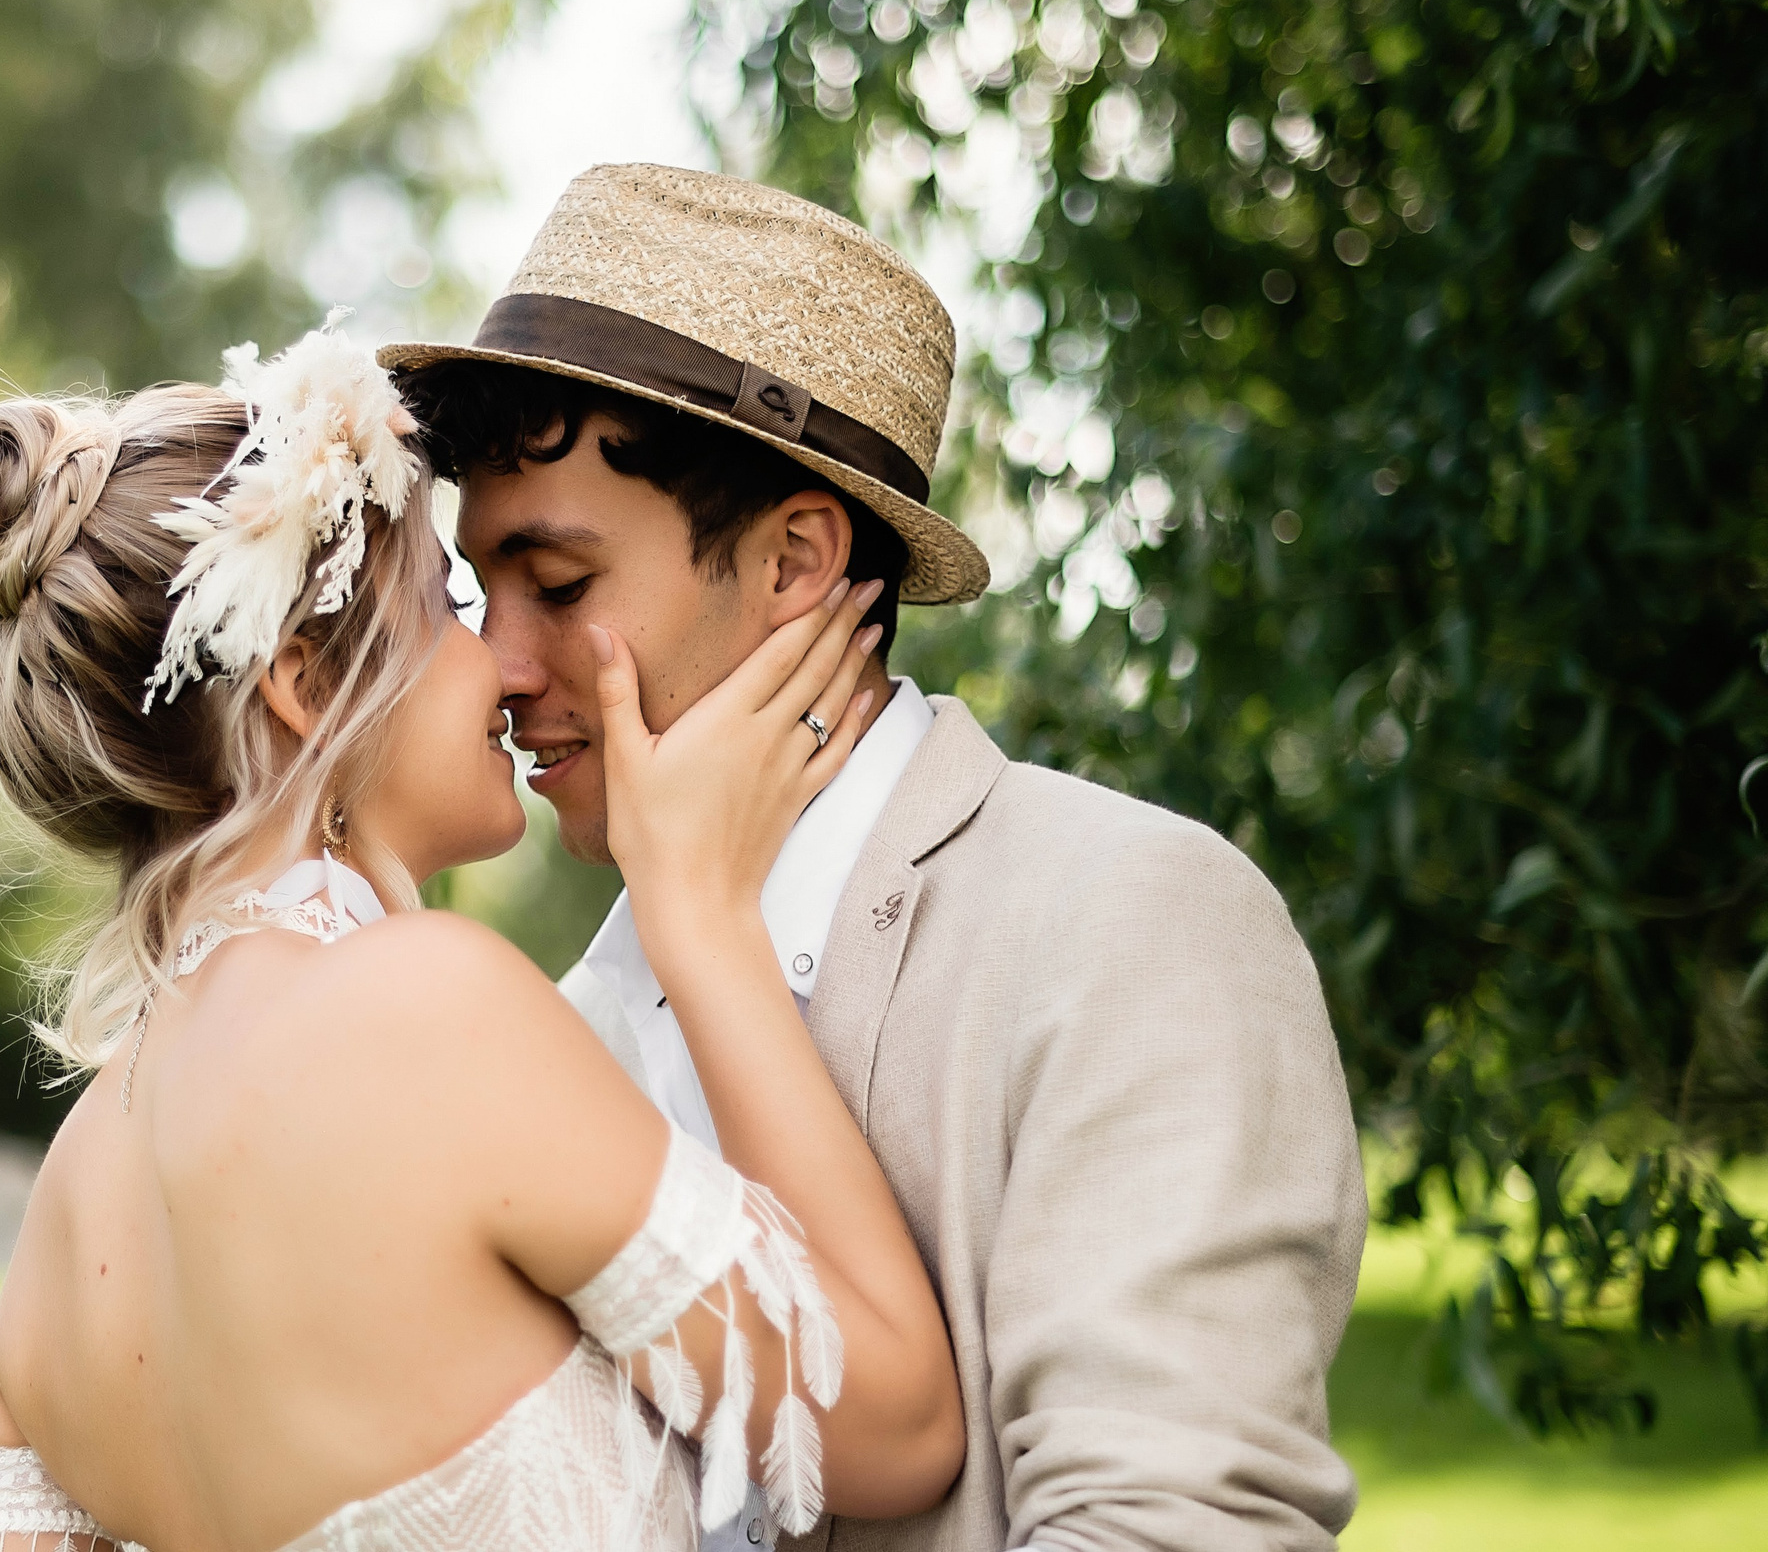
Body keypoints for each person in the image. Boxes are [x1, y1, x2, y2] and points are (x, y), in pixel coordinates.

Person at [385, 163, 1369, 1552]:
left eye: (559, 585)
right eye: (484, 594)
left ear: (795, 563)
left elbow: (1171, 1528)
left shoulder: (1132, 921)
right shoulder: (565, 1030)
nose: (497, 663)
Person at [0, 321, 966, 1552]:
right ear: (303, 684)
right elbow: (892, 1423)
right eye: (446, 603)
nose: (503, 663)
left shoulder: (63, 1226)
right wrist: (705, 921)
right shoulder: (426, 1005)